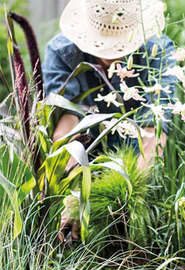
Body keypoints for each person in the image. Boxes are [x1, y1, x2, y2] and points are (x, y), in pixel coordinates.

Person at [43, 0, 177, 170]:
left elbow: (154, 131)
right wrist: (73, 188)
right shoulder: (62, 52)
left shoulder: (157, 52)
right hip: (82, 146)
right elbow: (66, 130)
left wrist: (133, 187)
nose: (111, 55)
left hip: (135, 147)